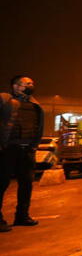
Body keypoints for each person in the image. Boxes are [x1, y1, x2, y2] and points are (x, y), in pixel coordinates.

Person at [0, 76, 44, 232]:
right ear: (16, 86)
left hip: (27, 150)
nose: (31, 85)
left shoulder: (35, 105)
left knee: (26, 184)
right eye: (27, 83)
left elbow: (38, 126)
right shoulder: (6, 101)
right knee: (2, 183)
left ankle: (22, 216)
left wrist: (34, 146)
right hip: (8, 149)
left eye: (32, 83)